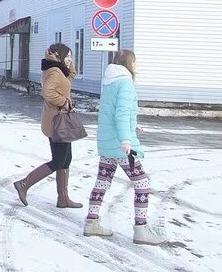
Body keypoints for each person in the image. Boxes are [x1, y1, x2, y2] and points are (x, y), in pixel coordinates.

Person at [83, 50, 166, 245]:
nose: (136, 66)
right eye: (135, 62)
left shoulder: (109, 82)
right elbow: (120, 114)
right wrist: (126, 139)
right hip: (121, 146)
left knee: (102, 182)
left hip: (107, 142)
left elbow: (113, 112)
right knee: (142, 184)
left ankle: (91, 222)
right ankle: (141, 229)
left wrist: (132, 125)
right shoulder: (126, 83)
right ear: (129, 63)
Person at [13, 43, 82, 208]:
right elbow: (47, 93)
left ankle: (63, 198)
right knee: (59, 160)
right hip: (57, 121)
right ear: (58, 56)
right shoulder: (54, 71)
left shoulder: (59, 69)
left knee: (66, 159)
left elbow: (71, 76)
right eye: (67, 56)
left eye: (70, 56)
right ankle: (24, 184)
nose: (69, 59)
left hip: (60, 120)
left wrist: (68, 62)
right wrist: (64, 102)